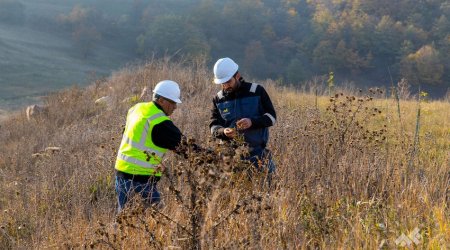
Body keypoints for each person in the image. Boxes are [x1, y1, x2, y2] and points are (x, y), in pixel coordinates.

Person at [114, 80, 185, 212]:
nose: (175, 107)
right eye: (173, 102)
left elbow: (127, 132)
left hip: (121, 174)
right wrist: (214, 157)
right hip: (140, 180)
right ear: (162, 100)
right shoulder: (160, 122)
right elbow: (187, 148)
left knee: (123, 218)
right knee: (160, 217)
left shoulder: (136, 108)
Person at [209, 57, 277, 176]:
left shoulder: (257, 91)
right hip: (229, 159)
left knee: (268, 191)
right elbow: (213, 126)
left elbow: (271, 117)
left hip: (258, 156)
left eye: (228, 81)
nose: (225, 86)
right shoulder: (218, 99)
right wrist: (223, 131)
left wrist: (252, 122)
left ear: (237, 75)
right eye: (222, 83)